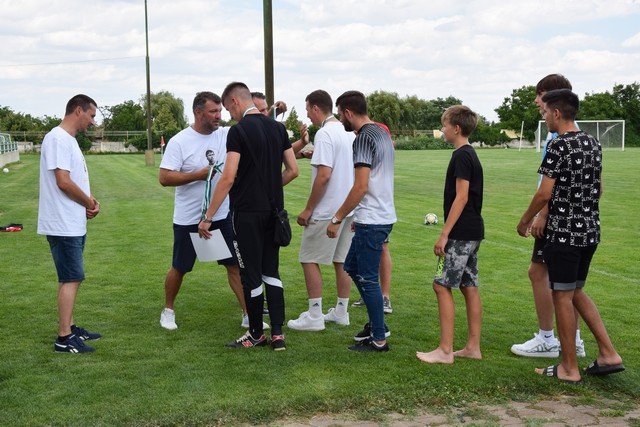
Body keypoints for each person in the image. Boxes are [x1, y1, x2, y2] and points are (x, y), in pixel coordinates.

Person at [517, 89, 624, 383]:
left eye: (545, 113)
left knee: (562, 296)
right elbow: (598, 188)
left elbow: (544, 193)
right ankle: (608, 353)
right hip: (590, 231)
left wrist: (525, 220)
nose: (544, 118)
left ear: (556, 113)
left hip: (564, 234)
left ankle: (569, 368)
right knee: (575, 291)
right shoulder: (593, 143)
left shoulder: (558, 145)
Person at [199, 82, 298, 351]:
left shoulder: (238, 131)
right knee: (271, 271)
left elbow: (228, 177)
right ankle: (277, 333)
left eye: (228, 108)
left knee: (250, 274)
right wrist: (269, 189)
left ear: (234, 101)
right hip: (274, 212)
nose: (229, 115)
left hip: (246, 215)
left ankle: (255, 334)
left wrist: (208, 216)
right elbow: (293, 170)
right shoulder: (278, 128)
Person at [158, 91, 263, 331]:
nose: (219, 116)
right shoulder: (180, 141)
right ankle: (168, 310)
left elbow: (259, 129)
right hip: (189, 218)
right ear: (198, 112)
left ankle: (248, 314)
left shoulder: (226, 134)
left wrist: (274, 112)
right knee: (180, 267)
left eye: (220, 111)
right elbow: (164, 178)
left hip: (220, 215)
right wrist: (198, 175)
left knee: (233, 265)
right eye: (213, 111)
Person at [511, 74, 585, 358]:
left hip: (557, 218)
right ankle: (572, 340)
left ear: (554, 98)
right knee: (567, 281)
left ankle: (550, 339)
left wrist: (540, 215)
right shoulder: (582, 138)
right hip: (576, 221)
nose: (535, 100)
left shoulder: (559, 138)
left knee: (551, 277)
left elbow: (548, 189)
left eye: (540, 94)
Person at [327, 90, 396, 352]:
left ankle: (379, 338)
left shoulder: (363, 138)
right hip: (379, 215)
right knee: (352, 266)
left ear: (348, 112)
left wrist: (337, 218)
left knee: (367, 278)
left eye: (340, 114)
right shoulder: (381, 132)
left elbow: (360, 186)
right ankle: (378, 324)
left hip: (373, 218)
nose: (340, 120)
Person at [416, 105, 484, 364]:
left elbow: (462, 197)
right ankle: (472, 348)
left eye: (444, 125)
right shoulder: (469, 154)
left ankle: (445, 351)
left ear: (456, 128)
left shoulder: (461, 156)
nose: (442, 129)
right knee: (469, 285)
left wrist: (444, 234)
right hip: (473, 231)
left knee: (441, 285)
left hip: (461, 233)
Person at [38, 94, 102, 353]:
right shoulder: (57, 138)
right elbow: (63, 182)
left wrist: (89, 199)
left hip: (71, 221)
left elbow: (73, 178)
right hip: (62, 223)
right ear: (78, 110)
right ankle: (64, 338)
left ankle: (71, 327)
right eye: (91, 115)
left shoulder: (68, 139)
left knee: (70, 277)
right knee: (72, 278)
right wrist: (88, 202)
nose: (93, 121)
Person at [286, 90, 355, 331]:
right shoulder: (348, 132)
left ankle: (314, 315)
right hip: (347, 209)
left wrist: (308, 209)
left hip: (327, 210)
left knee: (308, 258)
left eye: (307, 110)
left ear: (316, 108)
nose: (307, 115)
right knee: (341, 260)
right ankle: (341, 312)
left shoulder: (325, 133)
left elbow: (324, 175)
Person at [352, 121, 394, 314]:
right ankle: (373, 295)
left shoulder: (374, 133)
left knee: (382, 249)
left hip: (376, 213)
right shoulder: (367, 136)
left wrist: (338, 218)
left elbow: (365, 184)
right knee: (352, 264)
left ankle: (383, 297)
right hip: (372, 211)